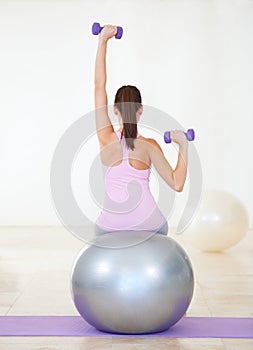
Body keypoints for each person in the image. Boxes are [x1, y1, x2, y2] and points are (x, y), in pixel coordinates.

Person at [94, 25, 188, 236]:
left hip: (111, 227)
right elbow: (177, 183)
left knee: (98, 229)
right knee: (162, 227)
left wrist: (103, 41)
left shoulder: (105, 137)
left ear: (115, 110)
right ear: (141, 110)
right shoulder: (150, 146)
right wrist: (183, 145)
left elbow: (99, 86)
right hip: (150, 225)